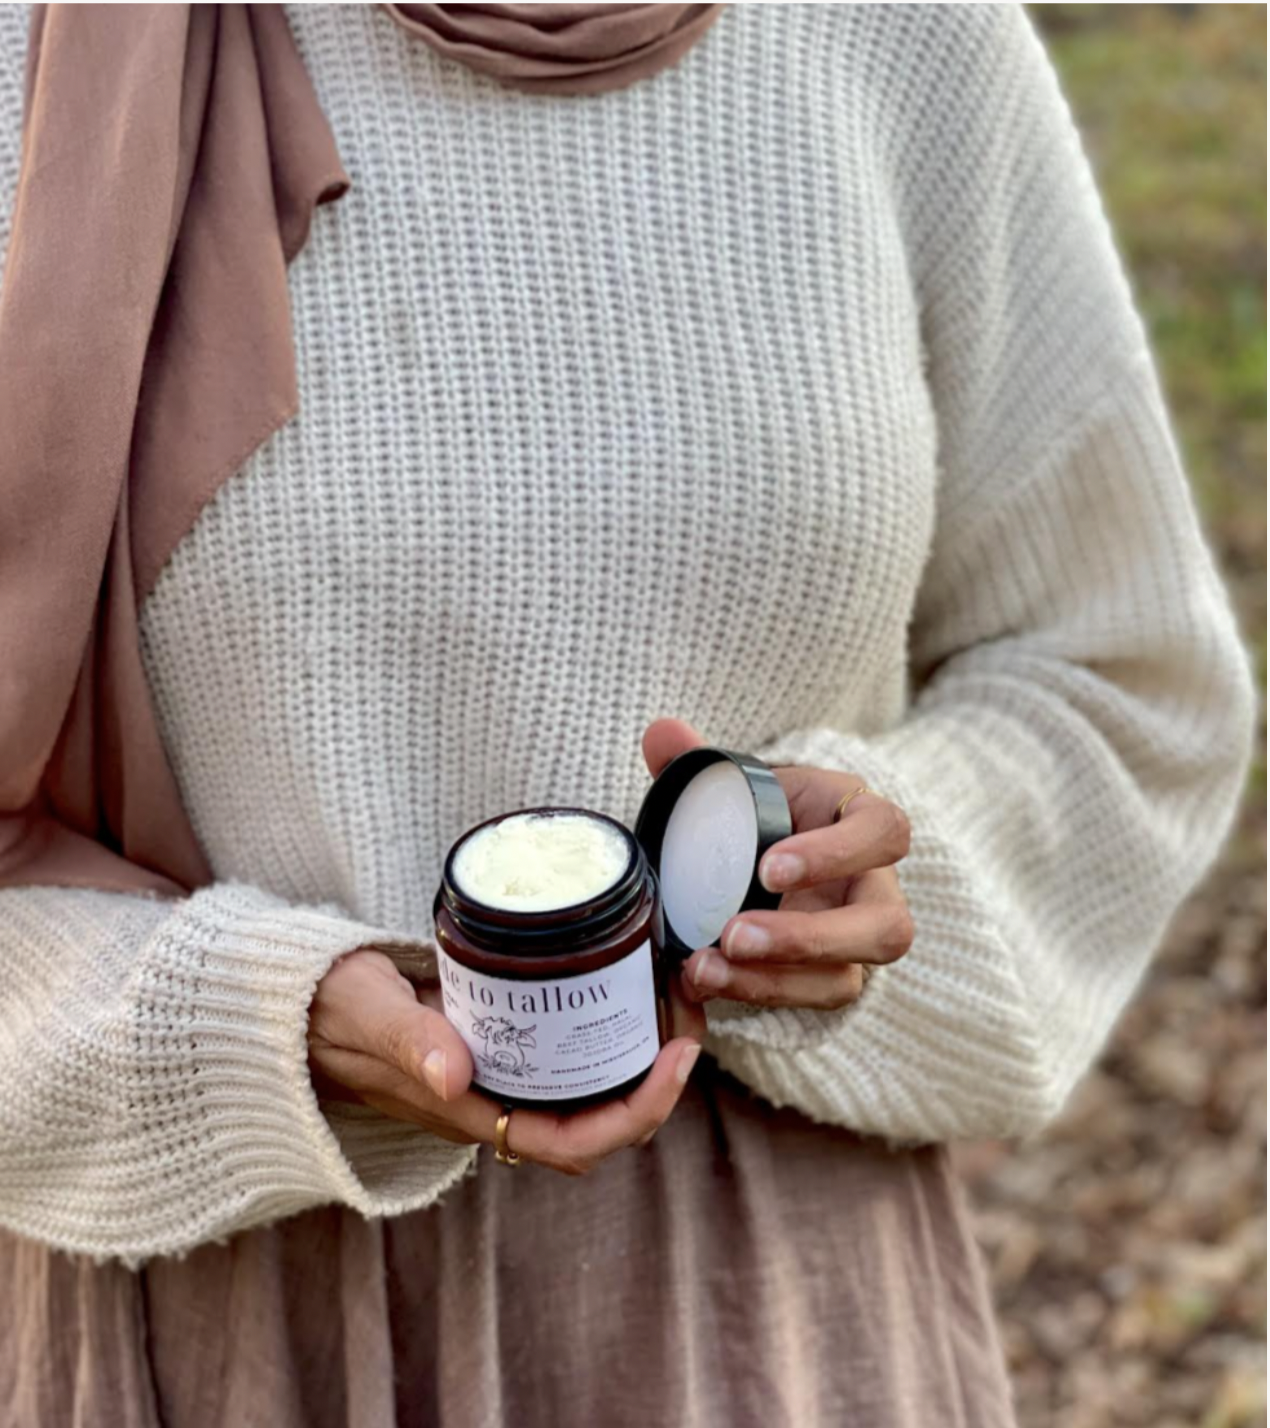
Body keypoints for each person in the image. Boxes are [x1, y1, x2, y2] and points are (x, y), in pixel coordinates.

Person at [0, 5, 1253, 1426]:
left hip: (777, 1323)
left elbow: (1126, 684)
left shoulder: (907, 37)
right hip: (211, 1322)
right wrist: (243, 1031)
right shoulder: (47, 60)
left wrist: (861, 886)